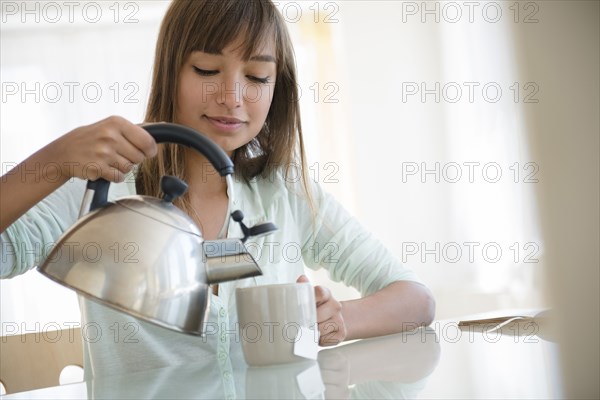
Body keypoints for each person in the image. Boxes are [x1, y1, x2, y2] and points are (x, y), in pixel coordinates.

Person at [0, 0, 434, 379]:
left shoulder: (283, 192)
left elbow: (415, 298)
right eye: (207, 70)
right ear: (171, 70)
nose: (231, 96)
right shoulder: (100, 188)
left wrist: (341, 319)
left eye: (258, 77)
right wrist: (53, 161)